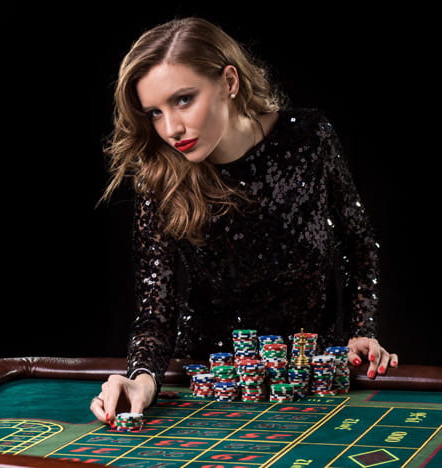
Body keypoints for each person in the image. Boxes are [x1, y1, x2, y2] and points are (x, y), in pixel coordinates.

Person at [90, 17, 399, 425]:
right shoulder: (160, 177)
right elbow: (156, 305)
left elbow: (359, 244)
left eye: (183, 99)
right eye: (154, 112)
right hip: (207, 388)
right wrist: (142, 378)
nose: (171, 128)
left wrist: (363, 330)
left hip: (311, 383)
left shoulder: (309, 139)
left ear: (229, 82)